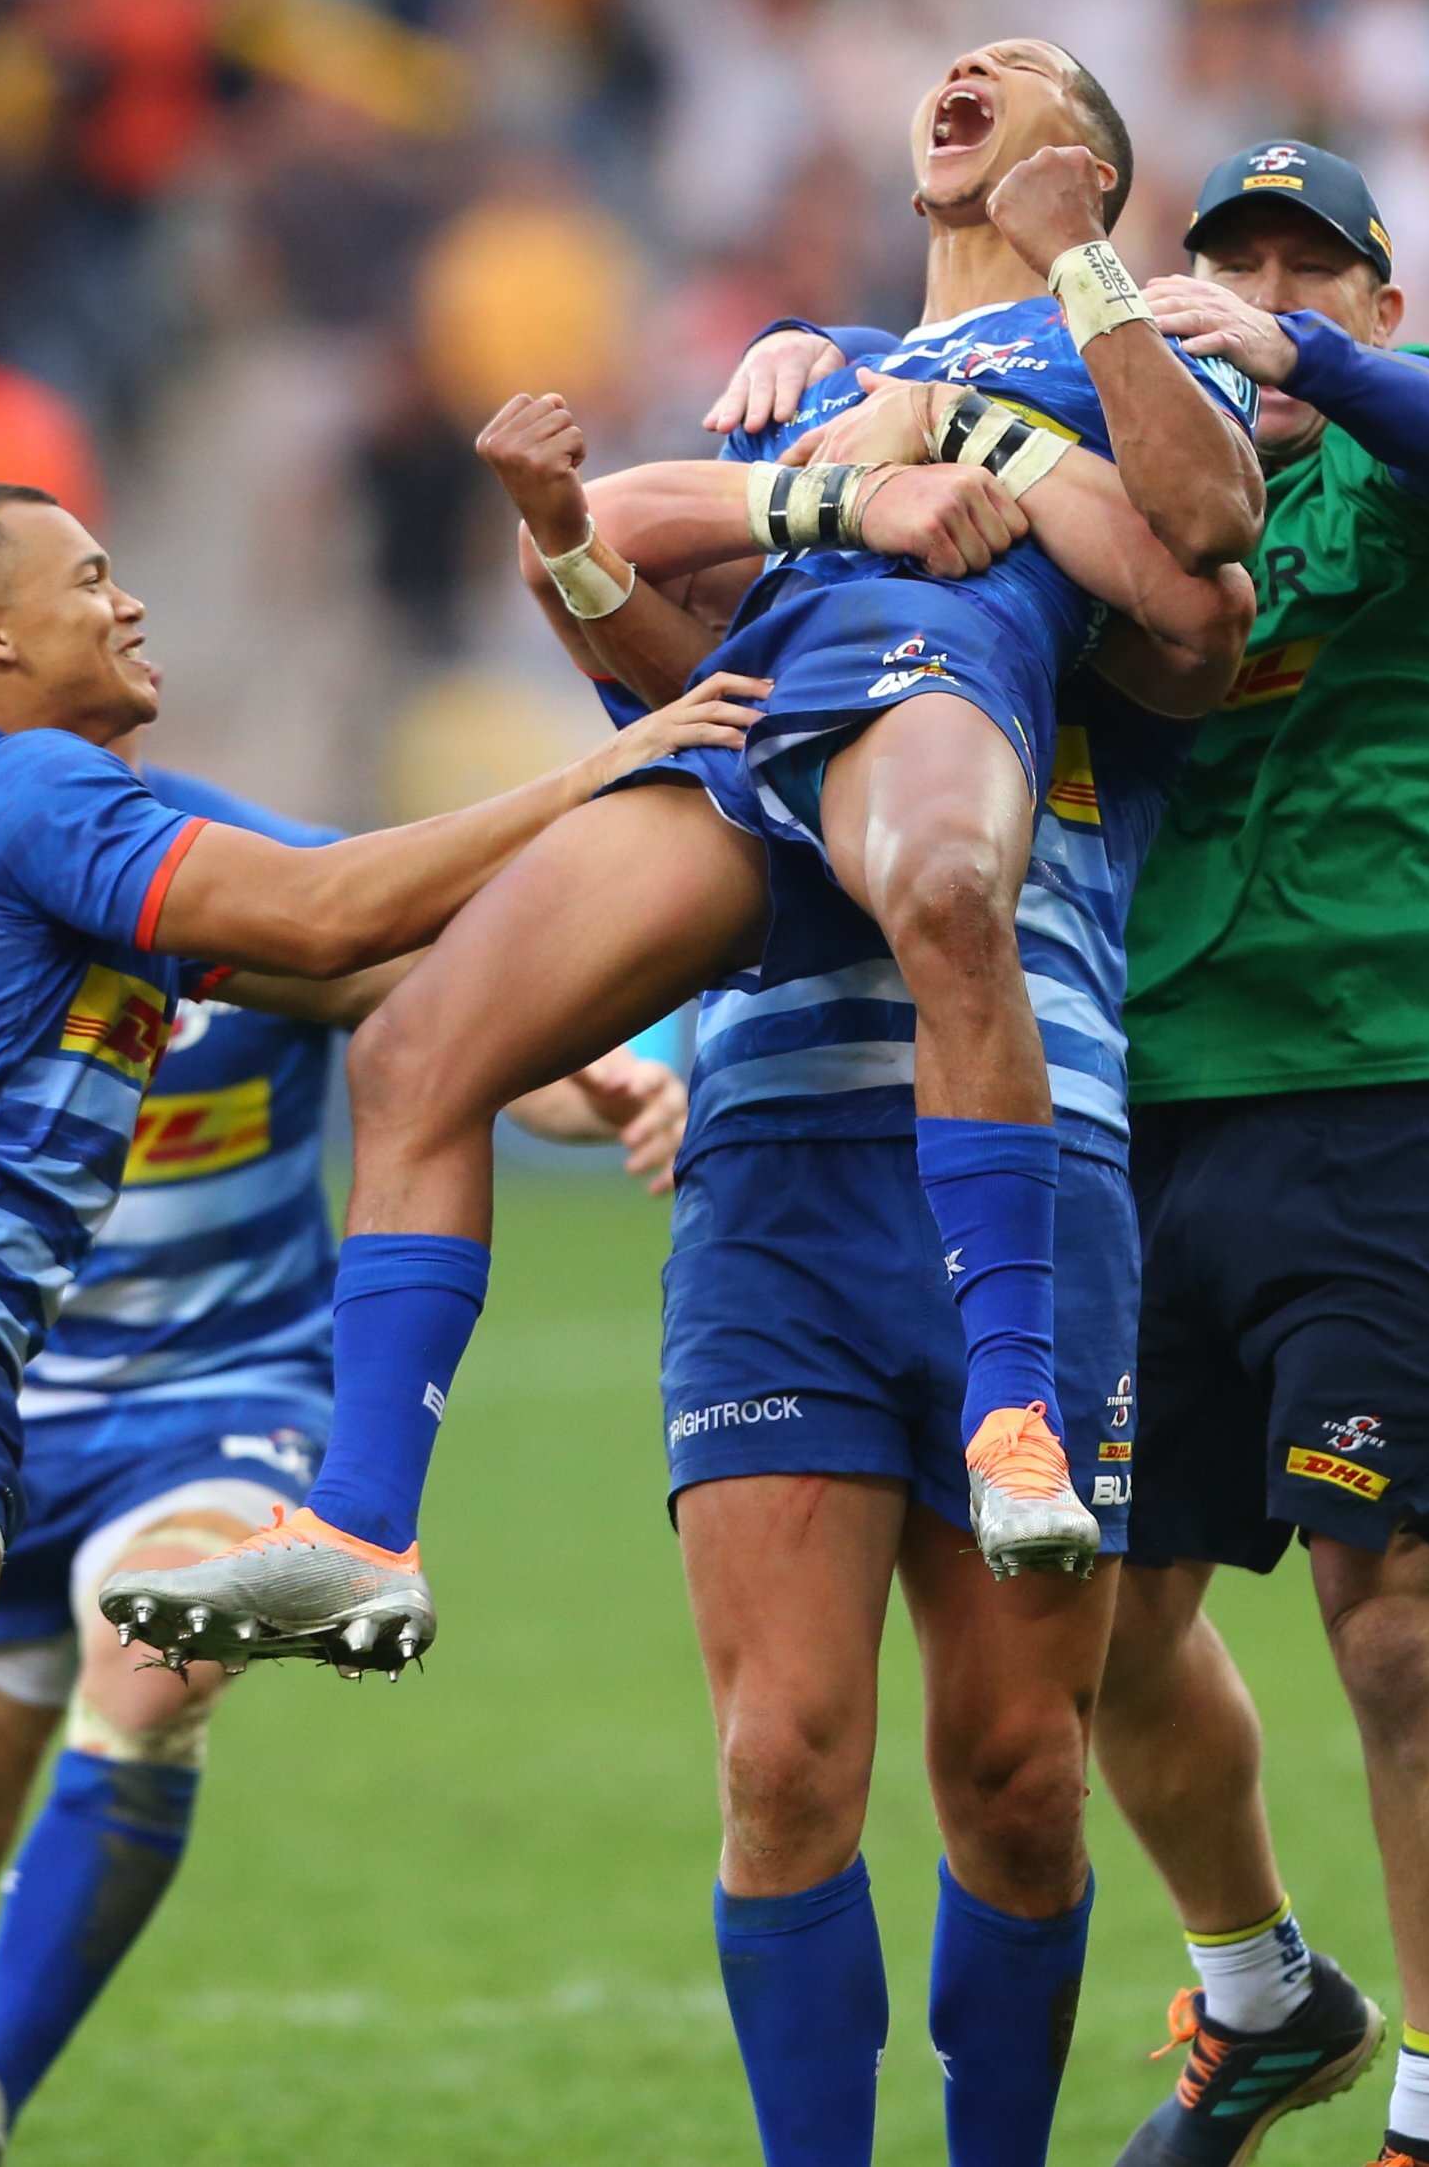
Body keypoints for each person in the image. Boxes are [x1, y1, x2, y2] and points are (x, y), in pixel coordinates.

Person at [0, 480, 752, 2167]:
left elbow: (354, 975)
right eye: (93, 579)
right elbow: (326, 913)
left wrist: (563, 1057)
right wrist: (600, 768)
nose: (132, 603)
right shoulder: (33, 789)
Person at [99, 39, 1261, 1674]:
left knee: (940, 890)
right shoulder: (818, 364)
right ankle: (359, 1522)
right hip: (758, 748)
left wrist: (1005, 389)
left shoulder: (1121, 336)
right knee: (421, 1046)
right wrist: (639, 528)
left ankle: (1014, 1418)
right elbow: (652, 583)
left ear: (1096, 164)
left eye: (1021, 66)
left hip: (936, 701)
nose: (968, 67)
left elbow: (1203, 576)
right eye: (954, 61)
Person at [449, 357, 1245, 2167]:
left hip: (1043, 1186)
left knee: (1024, 1782)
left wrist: (986, 439)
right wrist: (588, 525)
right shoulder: (785, 599)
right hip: (782, 1187)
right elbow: (628, 584)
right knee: (781, 1760)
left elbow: (1203, 586)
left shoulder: (1098, 614)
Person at [0, 817, 678, 2167]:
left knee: (151, 1664)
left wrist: (598, 1082)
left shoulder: (238, 886)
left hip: (219, 1403)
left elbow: (464, 1010)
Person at [1083, 145, 1429, 2167]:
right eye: (1230, 260)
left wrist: (1282, 353)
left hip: (1389, 1098)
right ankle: (1264, 1993)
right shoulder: (1123, 499)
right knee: (1091, 1626)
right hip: (1146, 1108)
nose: (1265, 290)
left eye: (1310, 266)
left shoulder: (1428, 443)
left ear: (1371, 297)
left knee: (1389, 1611)